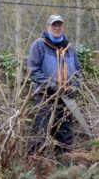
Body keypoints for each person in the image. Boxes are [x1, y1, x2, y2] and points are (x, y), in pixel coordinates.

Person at [27, 14, 81, 153]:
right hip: (45, 97)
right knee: (41, 134)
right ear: (48, 27)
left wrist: (74, 86)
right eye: (54, 25)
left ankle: (64, 168)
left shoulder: (70, 48)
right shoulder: (39, 45)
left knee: (65, 137)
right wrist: (51, 85)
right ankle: (37, 166)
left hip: (66, 98)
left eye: (59, 25)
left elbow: (77, 71)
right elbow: (33, 71)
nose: (57, 28)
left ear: (63, 27)